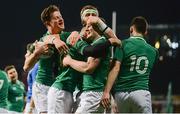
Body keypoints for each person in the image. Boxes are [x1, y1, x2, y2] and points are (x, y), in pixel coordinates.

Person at [101, 16, 159, 113]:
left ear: (131, 29)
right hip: (141, 92)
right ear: (145, 32)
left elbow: (115, 68)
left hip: (121, 95)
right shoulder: (154, 51)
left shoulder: (122, 44)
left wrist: (106, 92)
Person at [23, 5, 70, 114]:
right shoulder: (41, 43)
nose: (60, 19)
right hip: (43, 86)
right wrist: (36, 54)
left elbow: (75, 34)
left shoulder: (66, 37)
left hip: (60, 86)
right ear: (47, 23)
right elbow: (26, 67)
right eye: (56, 18)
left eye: (60, 16)